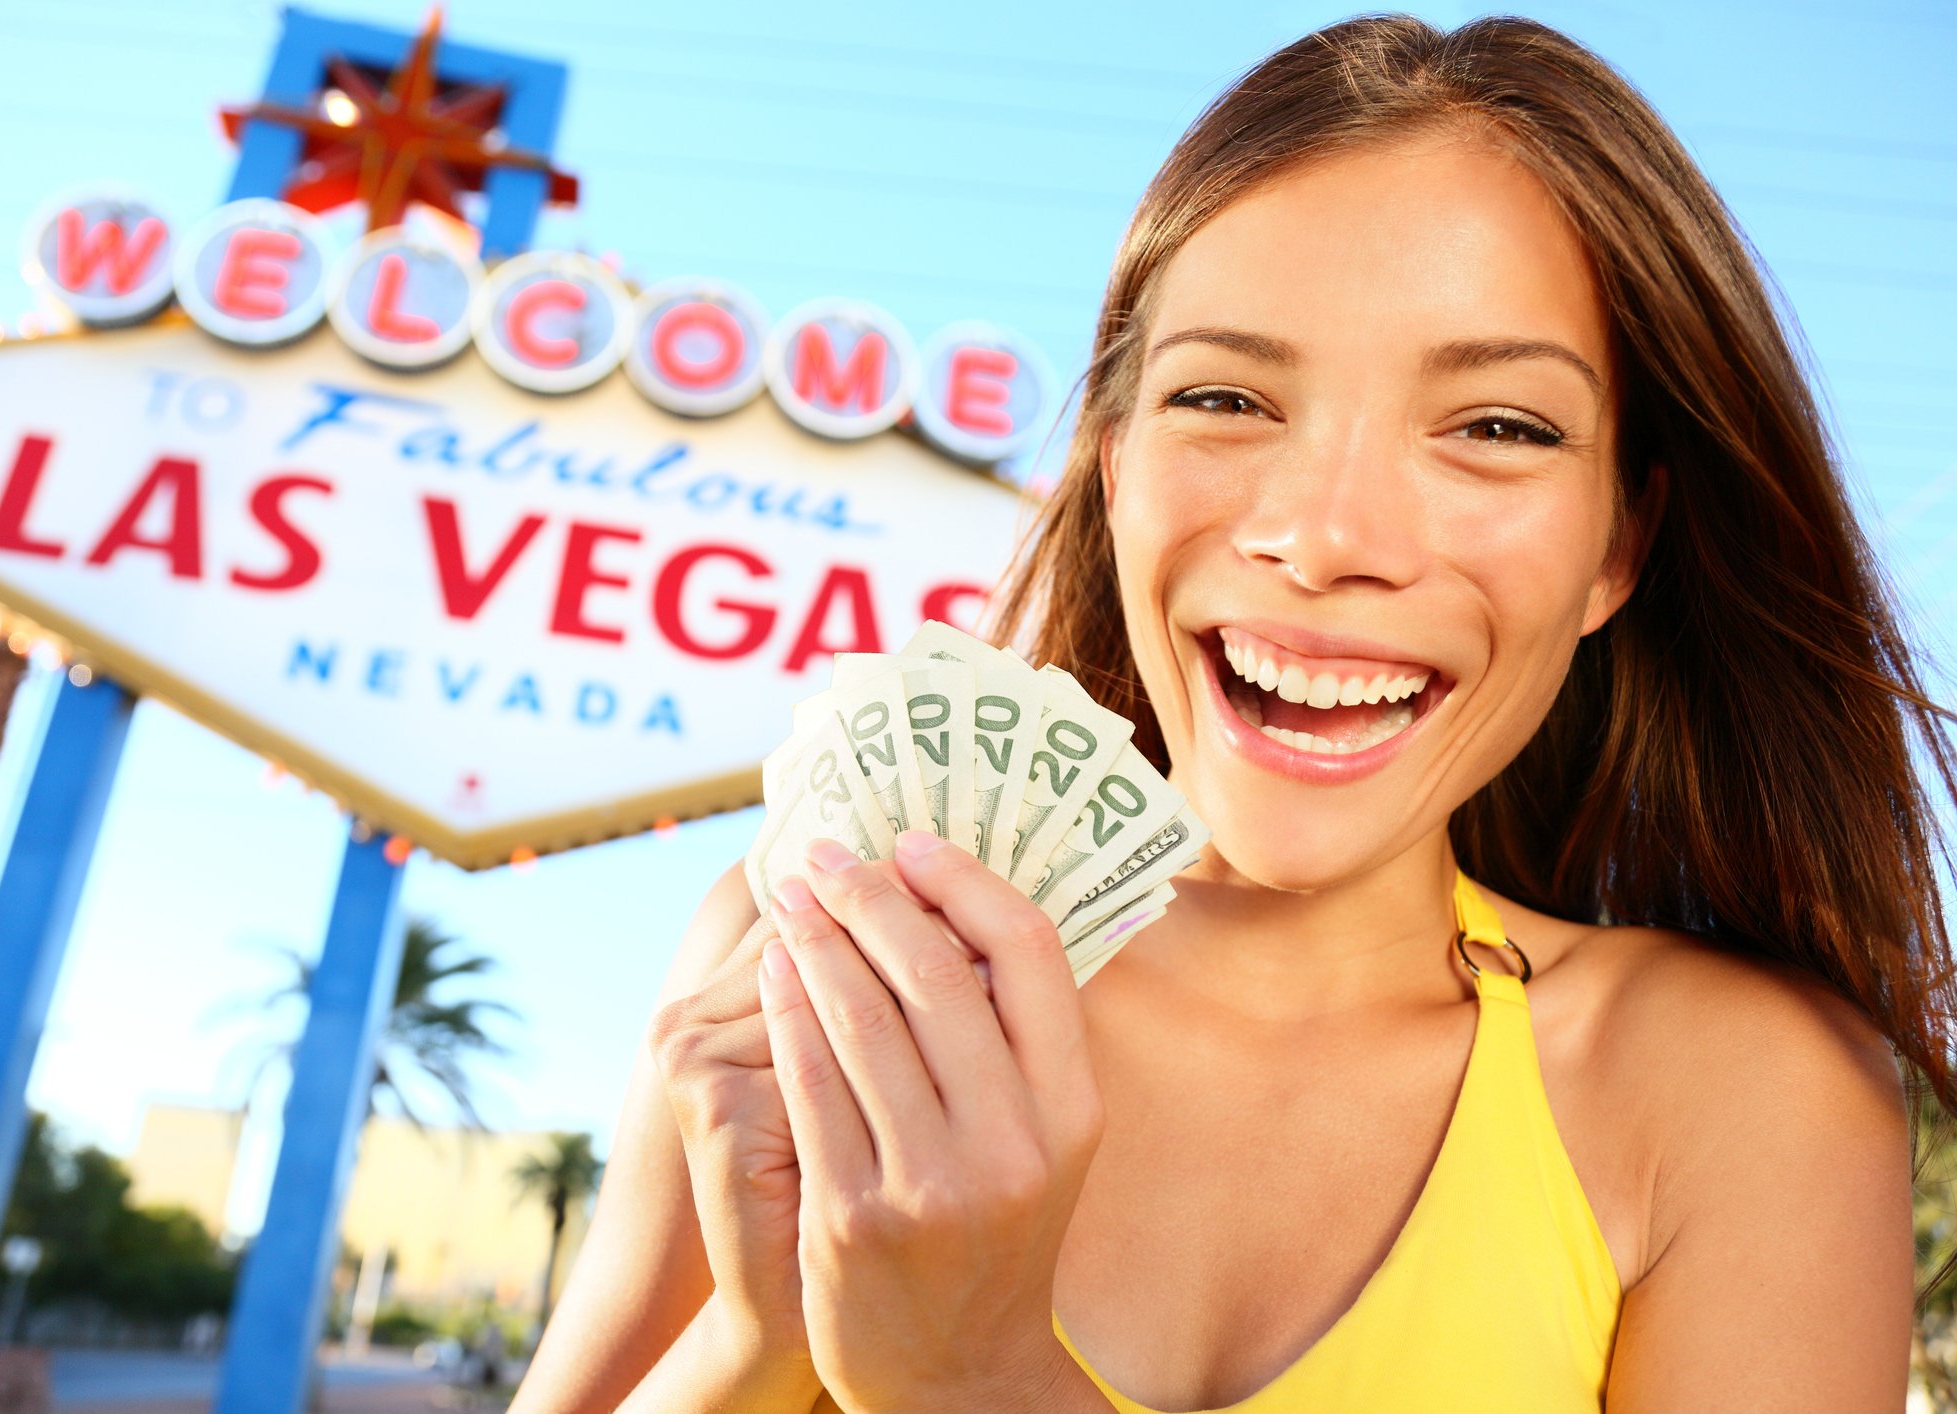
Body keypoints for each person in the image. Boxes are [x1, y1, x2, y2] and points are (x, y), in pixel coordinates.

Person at [513, 13, 1955, 1411]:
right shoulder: (822, 959)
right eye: (1226, 397)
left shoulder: (1737, 1096)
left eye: (1496, 428)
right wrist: (764, 1338)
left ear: (1616, 547)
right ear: (1113, 463)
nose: (1326, 538)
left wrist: (972, 1377)